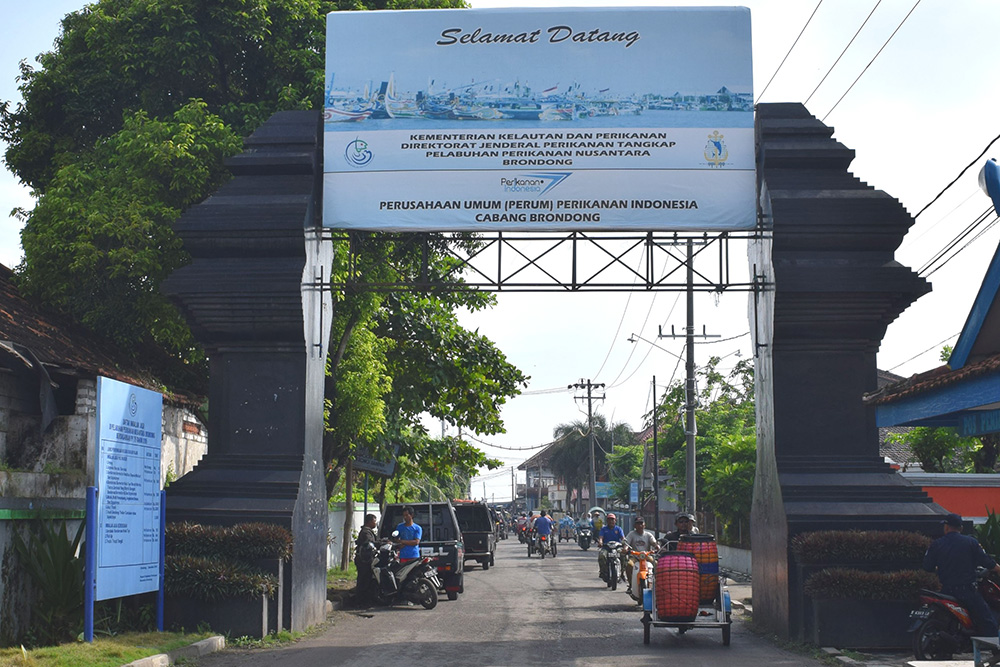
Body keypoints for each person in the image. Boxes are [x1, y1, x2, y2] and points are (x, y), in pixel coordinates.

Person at [923, 512, 1000, 637]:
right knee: (986, 618)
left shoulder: (936, 544)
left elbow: (927, 567)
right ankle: (995, 648)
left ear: (946, 527)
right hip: (967, 591)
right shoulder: (971, 542)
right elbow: (986, 561)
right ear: (961, 528)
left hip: (945, 591)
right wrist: (998, 569)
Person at [623, 517, 659, 591]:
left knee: (657, 564)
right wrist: (625, 548)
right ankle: (631, 585)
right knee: (629, 565)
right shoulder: (631, 534)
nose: (640, 525)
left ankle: (658, 584)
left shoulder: (648, 535)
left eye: (641, 523)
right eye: (637, 524)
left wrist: (657, 546)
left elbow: (654, 542)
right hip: (635, 557)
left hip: (646, 556)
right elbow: (626, 542)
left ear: (644, 525)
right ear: (634, 525)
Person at [354, 513, 379, 603]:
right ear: (369, 522)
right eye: (374, 521)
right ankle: (360, 601)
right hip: (363, 560)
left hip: (366, 559)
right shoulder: (365, 532)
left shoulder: (368, 531)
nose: (375, 523)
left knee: (366, 580)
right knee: (363, 580)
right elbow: (370, 542)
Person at [596, 513, 626, 581]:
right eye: (609, 520)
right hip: (606, 547)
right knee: (602, 556)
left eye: (612, 519)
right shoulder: (604, 529)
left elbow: (623, 538)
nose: (611, 521)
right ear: (607, 521)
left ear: (615, 520)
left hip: (617, 548)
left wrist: (624, 543)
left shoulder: (618, 529)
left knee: (624, 555)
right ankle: (603, 572)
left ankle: (622, 572)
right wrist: (600, 542)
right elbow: (601, 537)